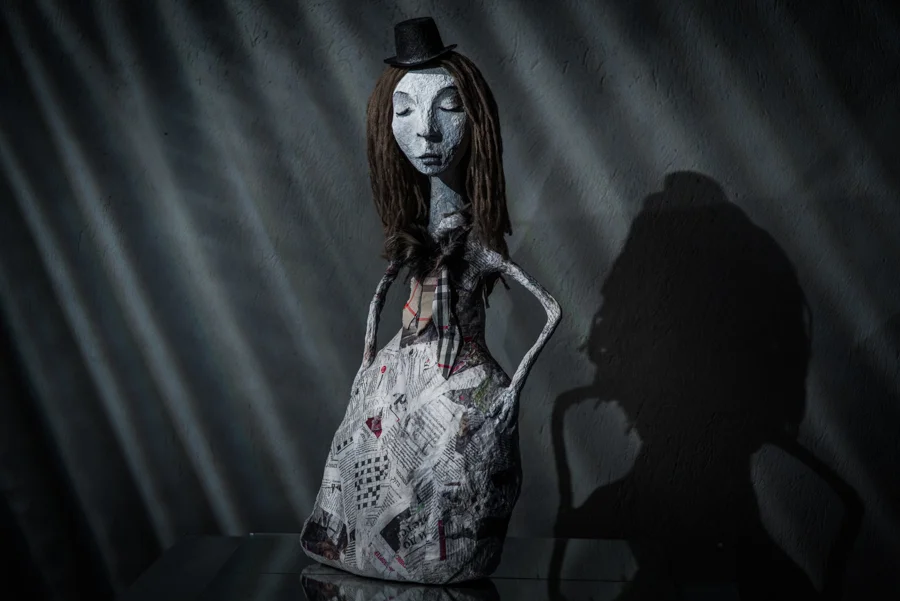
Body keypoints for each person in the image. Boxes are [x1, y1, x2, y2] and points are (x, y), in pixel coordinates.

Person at [300, 17, 561, 584]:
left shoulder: (474, 244)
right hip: (398, 369)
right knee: (361, 459)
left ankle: (434, 560)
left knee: (454, 474)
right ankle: (355, 547)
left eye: (447, 107)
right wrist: (368, 359)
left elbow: (551, 308)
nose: (425, 131)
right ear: (386, 122)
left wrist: (513, 390)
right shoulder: (416, 238)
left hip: (458, 372)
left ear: (474, 116)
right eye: (404, 110)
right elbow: (385, 289)